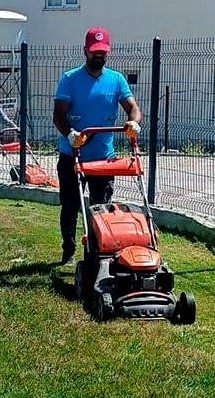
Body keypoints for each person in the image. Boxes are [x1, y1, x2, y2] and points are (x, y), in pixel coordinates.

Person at [52, 27, 142, 265]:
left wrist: (133, 122)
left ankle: (96, 253)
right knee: (70, 205)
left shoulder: (116, 80)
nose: (98, 56)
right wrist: (70, 134)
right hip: (73, 155)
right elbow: (58, 114)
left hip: (103, 159)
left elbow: (133, 108)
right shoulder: (70, 79)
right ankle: (69, 250)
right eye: (94, 52)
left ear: (107, 53)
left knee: (100, 208)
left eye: (102, 52)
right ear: (85, 51)